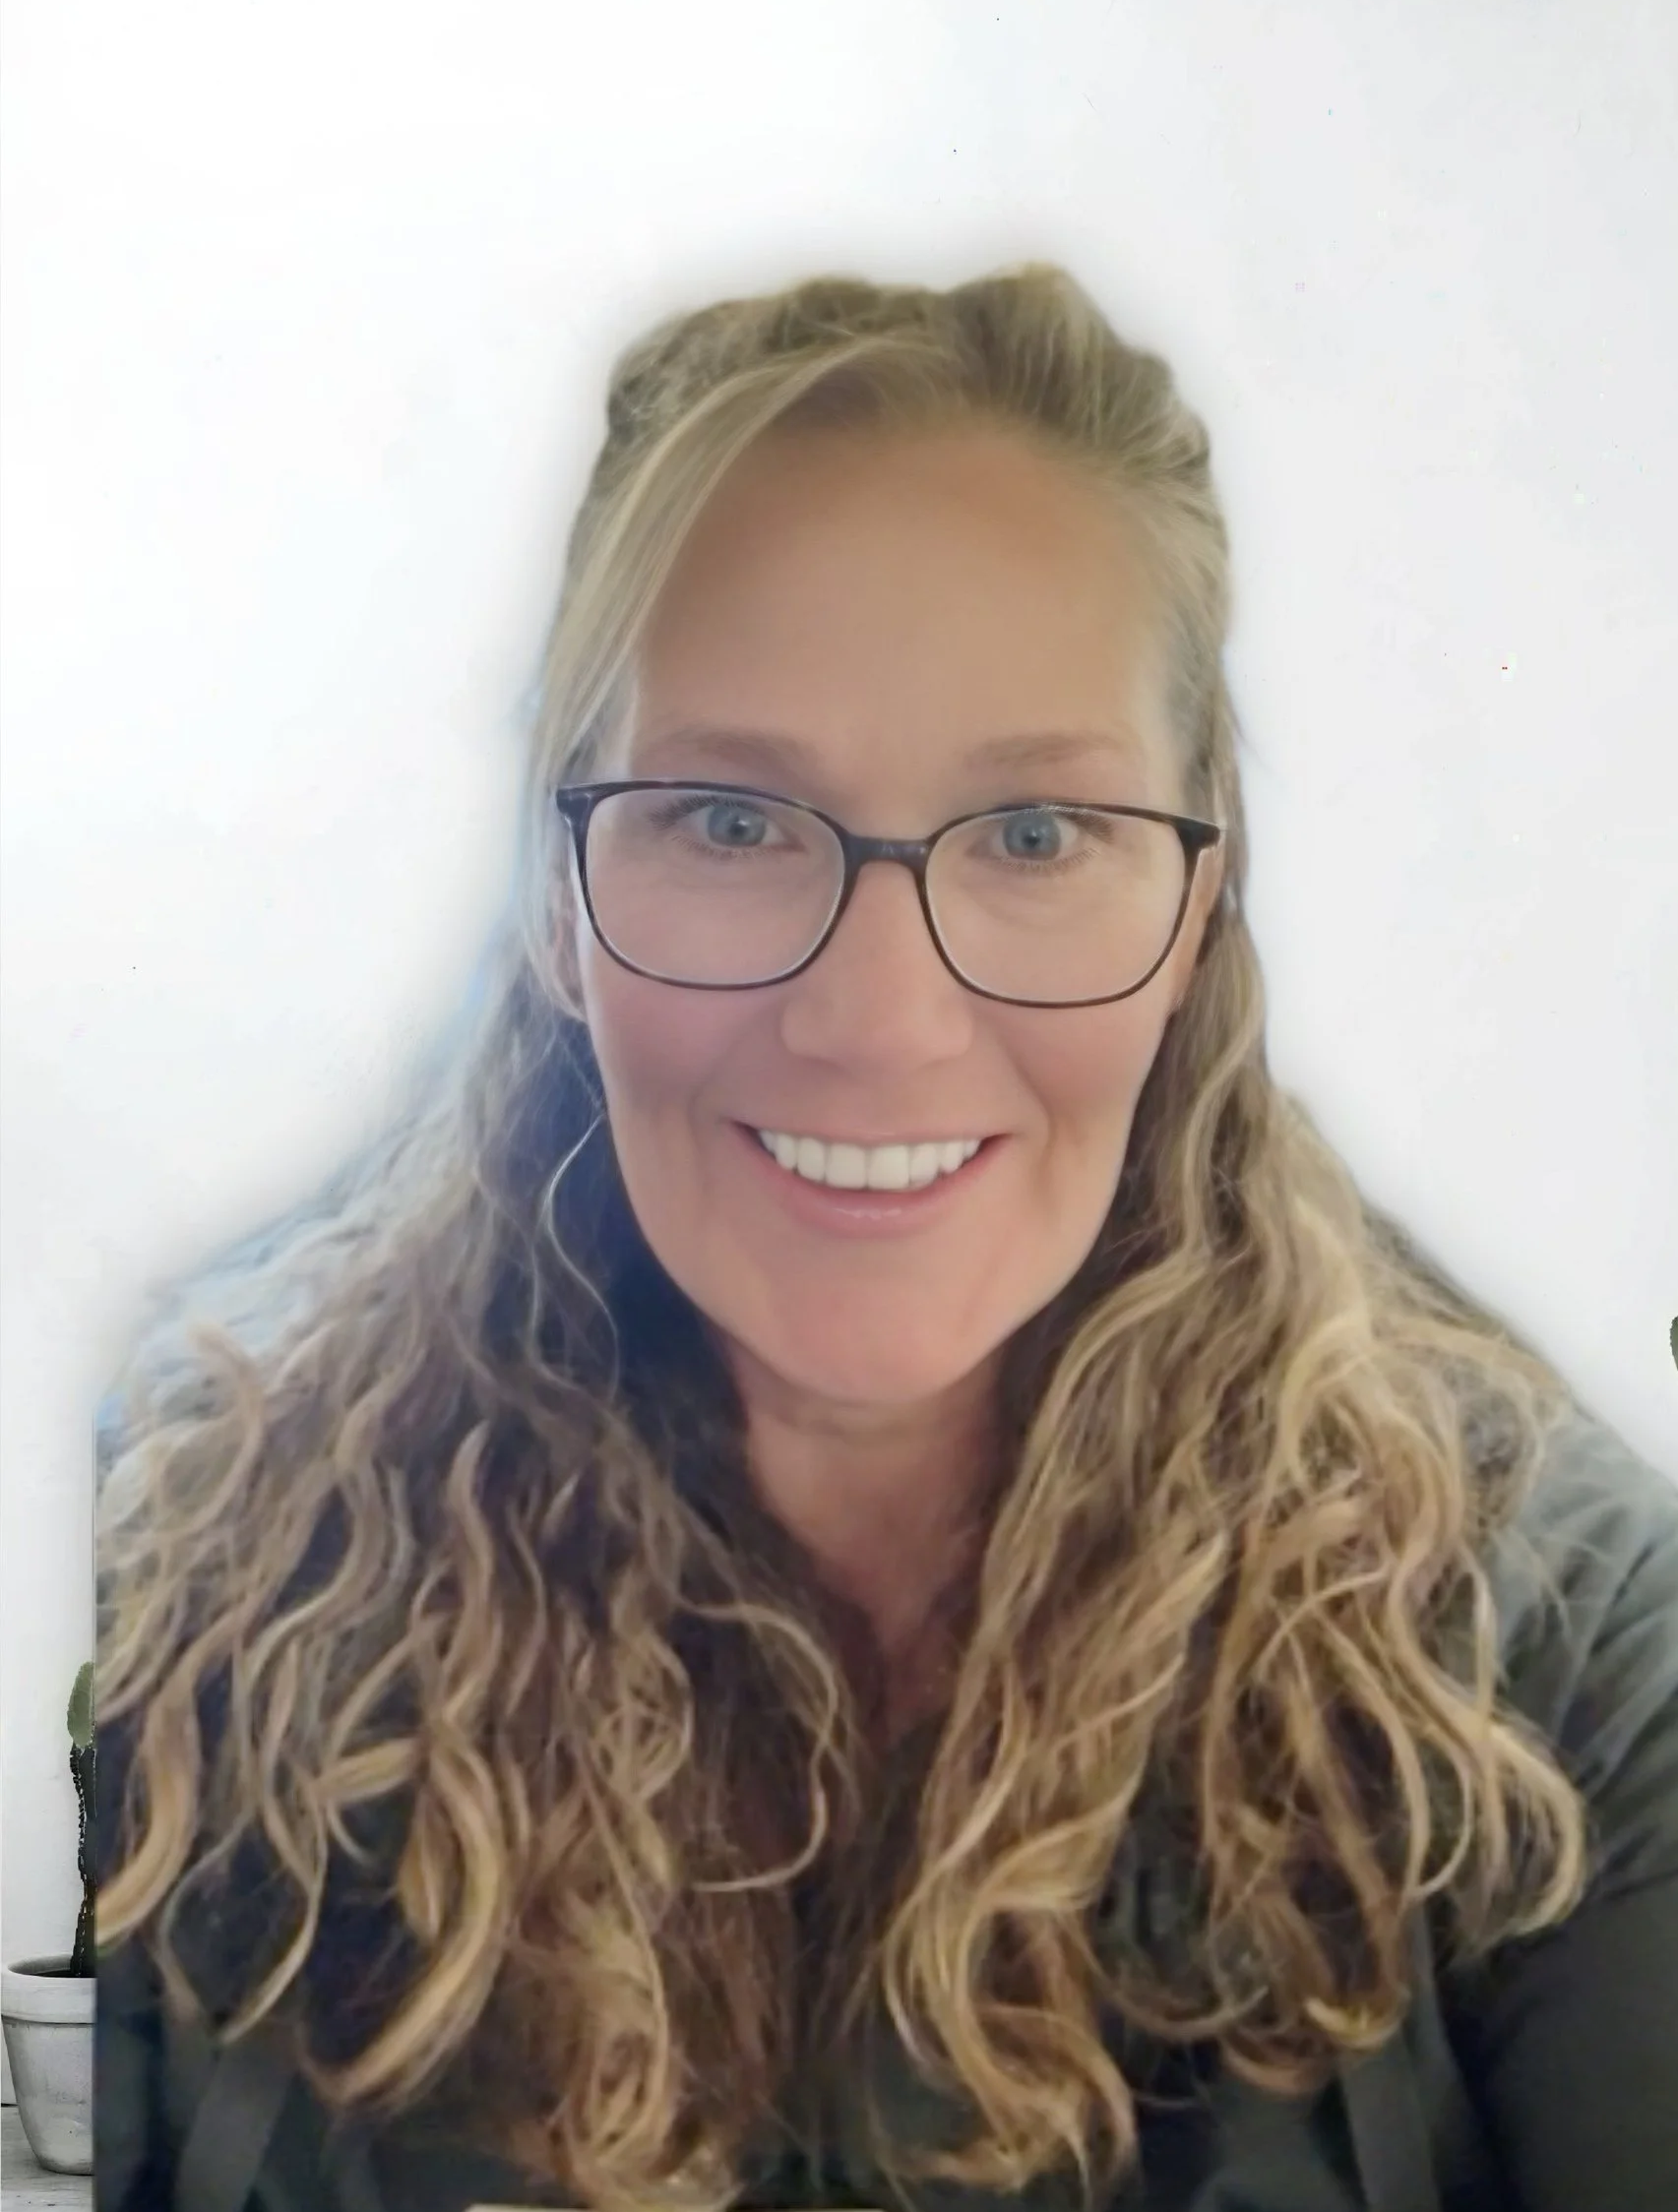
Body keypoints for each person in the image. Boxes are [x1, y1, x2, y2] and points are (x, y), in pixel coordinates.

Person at [93, 264, 1678, 2212]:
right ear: (558, 900)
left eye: (1032, 837)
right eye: (731, 822)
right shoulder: (176, 1585)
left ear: (1197, 909)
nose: (877, 1018)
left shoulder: (1568, 1659)